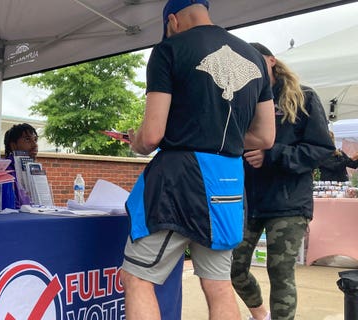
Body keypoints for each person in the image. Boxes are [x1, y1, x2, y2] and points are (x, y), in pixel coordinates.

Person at [120, 1, 276, 319]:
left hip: (179, 184)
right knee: (218, 286)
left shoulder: (169, 50)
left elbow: (151, 136)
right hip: (228, 184)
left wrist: (135, 141)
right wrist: (218, 131)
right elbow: (265, 138)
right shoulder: (255, 59)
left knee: (137, 278)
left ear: (173, 21)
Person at [230, 42, 335, 320]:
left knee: (280, 273)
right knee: (234, 267)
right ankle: (260, 314)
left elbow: (322, 150)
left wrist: (272, 155)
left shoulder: (303, 97)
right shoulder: (243, 101)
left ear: (272, 61)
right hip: (249, 201)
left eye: (255, 61)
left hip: (288, 203)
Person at [2, 123, 39, 208]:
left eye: (35, 140)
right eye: (27, 140)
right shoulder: (5, 170)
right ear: (13, 145)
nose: (35, 145)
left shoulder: (32, 168)